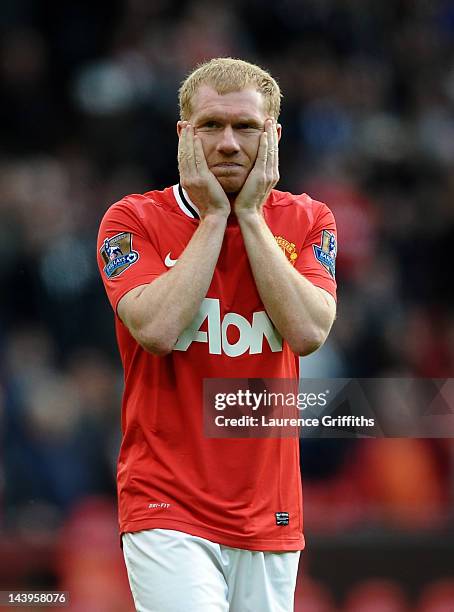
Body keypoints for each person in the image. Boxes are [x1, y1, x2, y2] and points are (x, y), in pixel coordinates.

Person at [96, 57, 337, 612]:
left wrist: (248, 216)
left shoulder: (309, 220)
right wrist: (213, 217)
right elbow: (156, 329)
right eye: (210, 126)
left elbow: (307, 331)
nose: (228, 144)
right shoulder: (132, 221)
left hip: (270, 510)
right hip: (165, 505)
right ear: (184, 135)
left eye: (246, 127)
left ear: (273, 137)